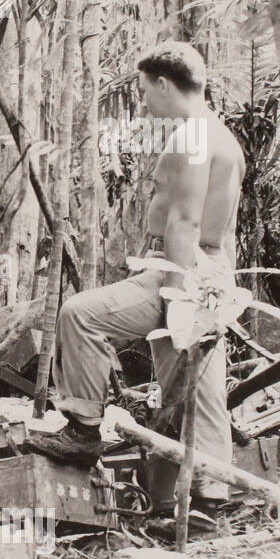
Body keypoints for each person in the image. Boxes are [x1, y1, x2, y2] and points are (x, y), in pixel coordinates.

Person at [50, 41, 243, 503]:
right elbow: (225, 228)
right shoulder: (223, 136)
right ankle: (209, 494)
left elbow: (185, 220)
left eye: (143, 90)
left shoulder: (193, 134)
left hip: (182, 269)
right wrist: (221, 285)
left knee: (80, 314)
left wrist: (177, 297)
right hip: (211, 270)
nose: (141, 100)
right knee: (198, 386)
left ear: (162, 83)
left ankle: (82, 429)